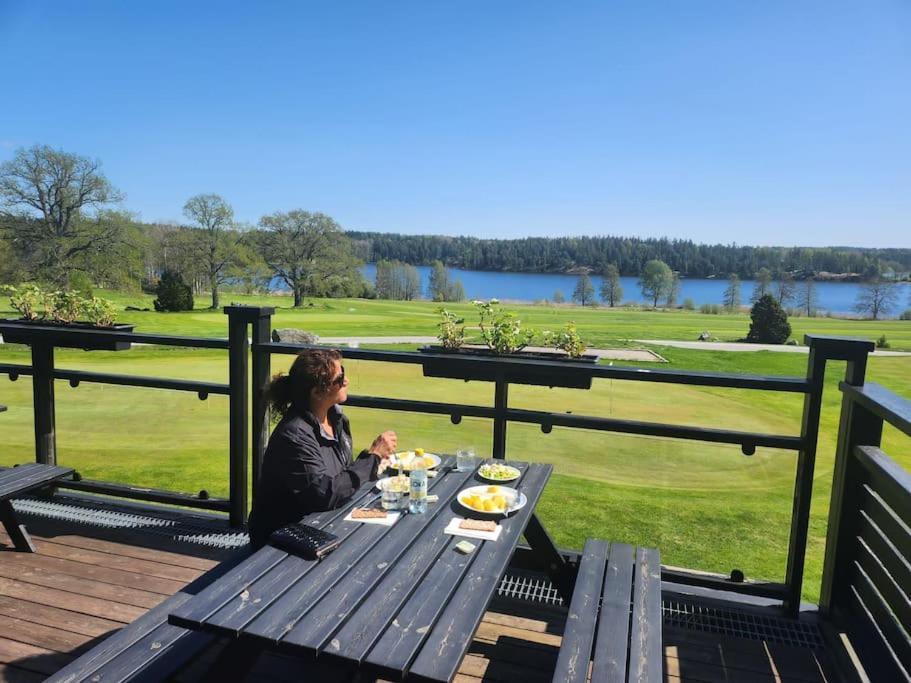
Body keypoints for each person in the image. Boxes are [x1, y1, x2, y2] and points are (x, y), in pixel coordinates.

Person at [248, 348, 396, 547]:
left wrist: (372, 460)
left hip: (318, 526)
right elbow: (325, 493)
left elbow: (340, 476)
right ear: (317, 392)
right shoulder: (294, 436)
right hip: (281, 540)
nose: (346, 381)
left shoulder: (336, 419)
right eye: (339, 378)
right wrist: (372, 458)